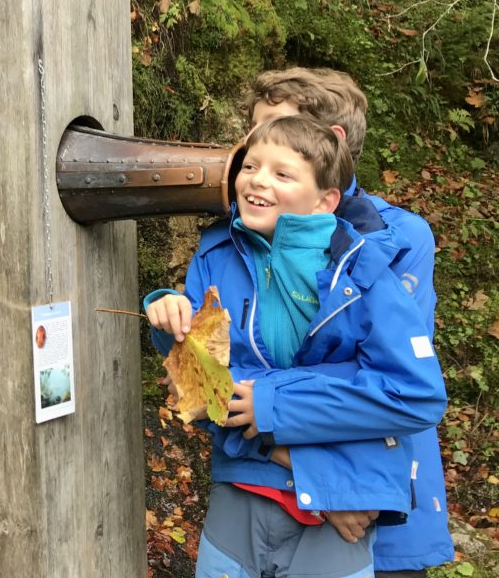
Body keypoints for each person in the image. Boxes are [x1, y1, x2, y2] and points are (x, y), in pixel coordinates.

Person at [145, 115, 447, 578]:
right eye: (251, 165)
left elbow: (415, 394)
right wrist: (169, 320)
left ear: (326, 200)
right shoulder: (214, 255)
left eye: (282, 174)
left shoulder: (363, 270)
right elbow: (205, 392)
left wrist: (271, 401)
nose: (257, 180)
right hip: (244, 490)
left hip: (339, 519)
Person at [246, 67, 454, 577]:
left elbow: (387, 385)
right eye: (253, 136)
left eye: (276, 130)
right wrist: (318, 481)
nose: (254, 152)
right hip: (269, 503)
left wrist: (334, 482)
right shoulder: (248, 228)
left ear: (331, 140)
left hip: (379, 505)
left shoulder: (398, 237)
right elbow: (226, 376)